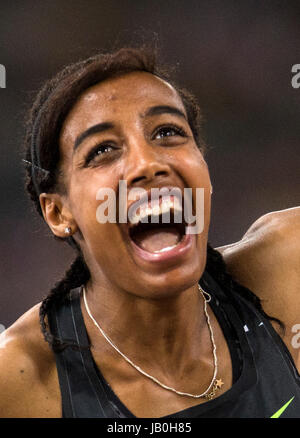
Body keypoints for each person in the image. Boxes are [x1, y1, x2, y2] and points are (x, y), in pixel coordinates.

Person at [0, 47, 299, 418]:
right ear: (59, 212)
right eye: (103, 150)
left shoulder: (290, 269)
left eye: (167, 132)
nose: (148, 164)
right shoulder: (18, 385)